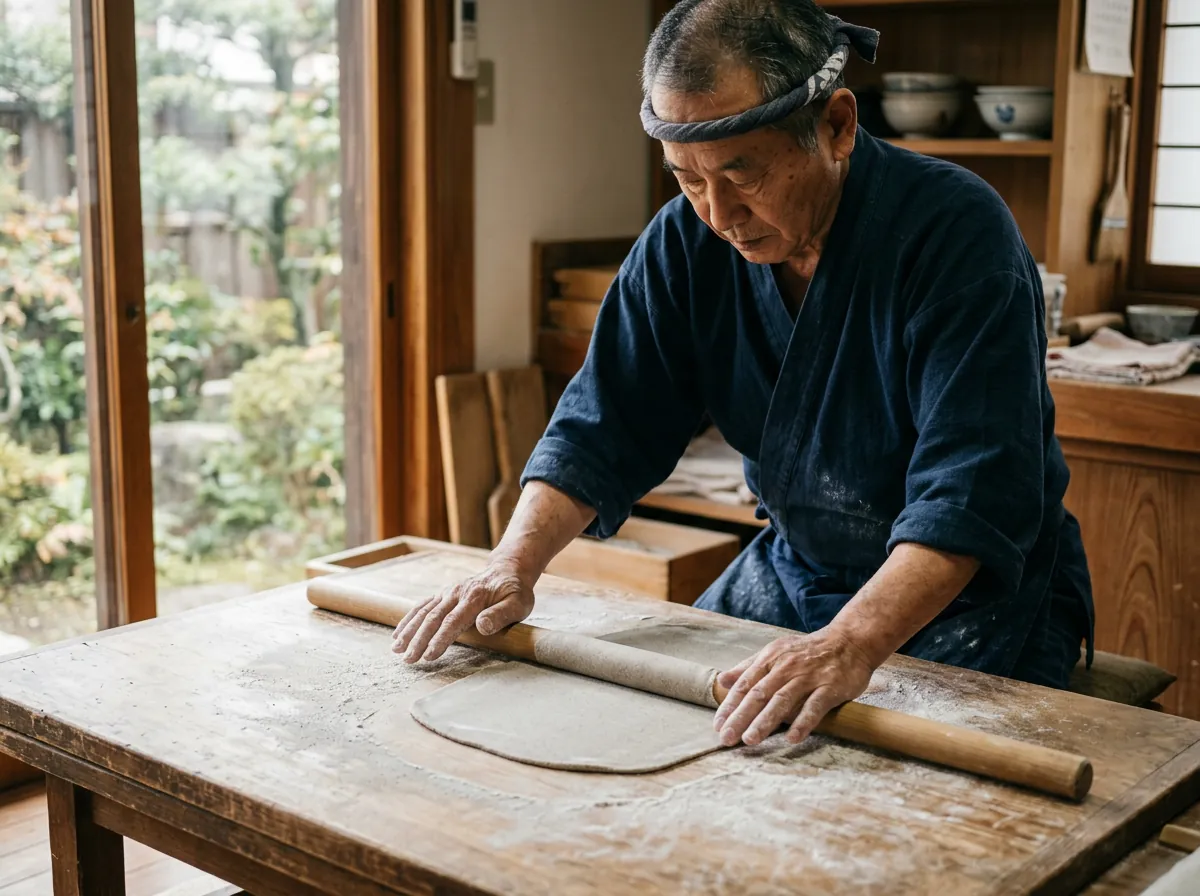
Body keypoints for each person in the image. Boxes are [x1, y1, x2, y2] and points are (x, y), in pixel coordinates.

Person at [393, 0, 1094, 752]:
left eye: (742, 172)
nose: (719, 213)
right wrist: (510, 565)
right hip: (797, 571)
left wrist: (847, 644)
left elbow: (972, 493)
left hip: (964, 598)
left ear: (836, 126)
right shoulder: (683, 245)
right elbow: (601, 425)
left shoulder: (957, 234)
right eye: (687, 179)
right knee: (680, 740)